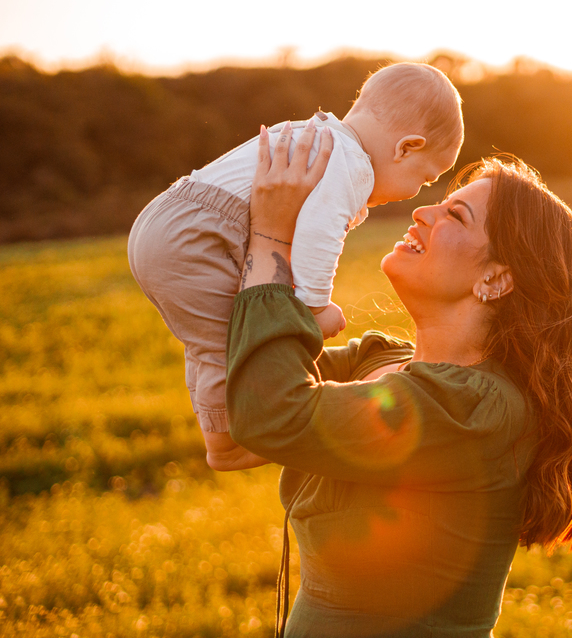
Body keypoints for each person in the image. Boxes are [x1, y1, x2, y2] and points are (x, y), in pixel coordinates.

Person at [226, 123, 572, 637]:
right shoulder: (374, 362)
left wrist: (272, 235)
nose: (423, 211)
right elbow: (230, 426)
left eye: (456, 215)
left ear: (496, 278)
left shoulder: (478, 409)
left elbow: (267, 413)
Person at [128, 63, 463, 471]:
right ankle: (227, 444)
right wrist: (314, 308)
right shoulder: (350, 165)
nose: (416, 193)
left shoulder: (317, 133)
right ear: (406, 147)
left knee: (214, 337)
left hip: (170, 220)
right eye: (425, 180)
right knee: (227, 345)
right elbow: (319, 237)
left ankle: (223, 427)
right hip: (200, 237)